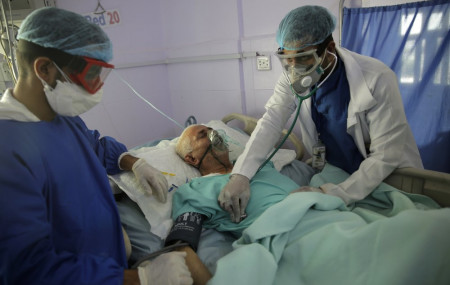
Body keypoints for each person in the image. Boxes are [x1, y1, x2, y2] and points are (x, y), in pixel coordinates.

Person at [0, 7, 192, 285]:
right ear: (44, 68)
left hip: (107, 265)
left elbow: (96, 147)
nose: (97, 88)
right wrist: (141, 278)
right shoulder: (9, 150)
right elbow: (29, 269)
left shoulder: (63, 119)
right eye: (90, 75)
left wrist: (134, 162)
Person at [164, 124, 449, 285]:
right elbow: (180, 243)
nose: (214, 135)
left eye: (214, 130)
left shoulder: (253, 165)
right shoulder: (194, 189)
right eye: (203, 135)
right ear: (191, 159)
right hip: (288, 234)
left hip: (325, 211)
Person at [218, 5, 423, 222]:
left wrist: (332, 194)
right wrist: (241, 174)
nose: (294, 68)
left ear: (330, 49)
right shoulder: (292, 76)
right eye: (287, 59)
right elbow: (272, 120)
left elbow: (385, 155)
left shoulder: (377, 78)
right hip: (336, 171)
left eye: (303, 58)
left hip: (385, 175)